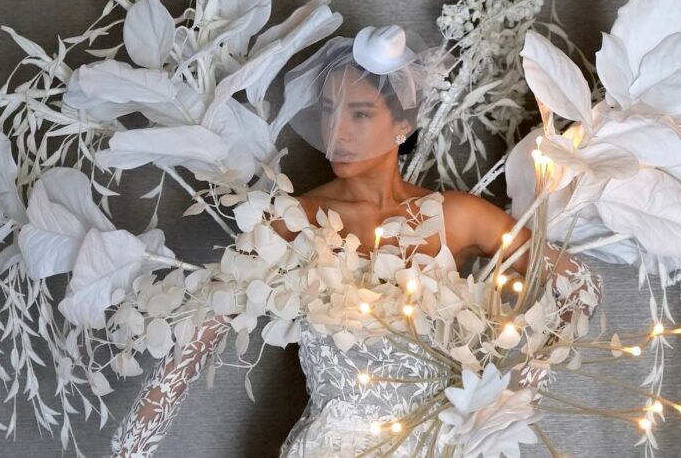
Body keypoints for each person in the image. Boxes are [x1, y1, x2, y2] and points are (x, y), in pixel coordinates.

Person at [111, 25, 602, 457]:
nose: (337, 131)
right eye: (329, 110)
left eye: (360, 114)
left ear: (402, 124)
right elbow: (200, 331)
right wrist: (130, 448)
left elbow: (579, 284)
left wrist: (516, 396)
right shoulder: (293, 221)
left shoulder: (456, 218)